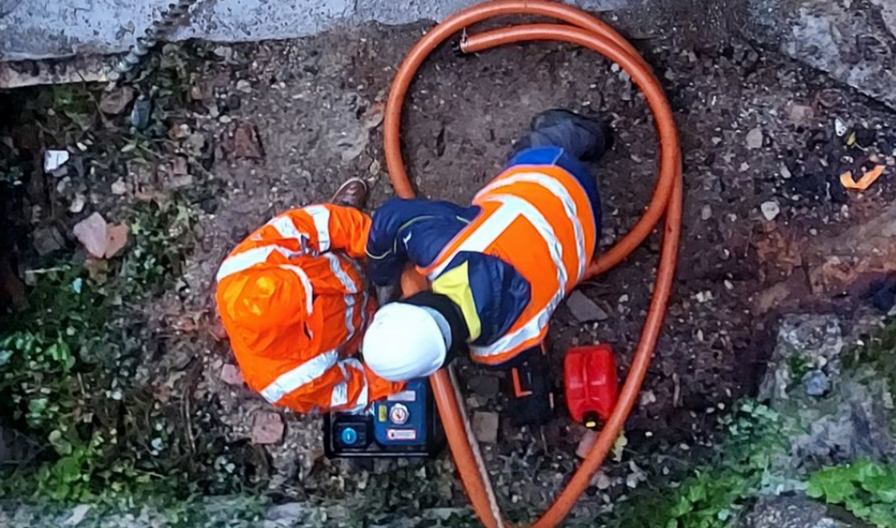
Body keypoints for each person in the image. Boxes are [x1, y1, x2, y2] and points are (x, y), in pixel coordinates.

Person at [360, 109, 610, 406]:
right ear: (411, 302)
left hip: (587, 239)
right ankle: (595, 135)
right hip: (553, 181)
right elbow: (392, 218)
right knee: (540, 141)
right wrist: (381, 269)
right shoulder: (448, 246)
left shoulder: (497, 351)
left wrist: (388, 278)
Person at [213, 174, 379, 413]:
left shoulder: (240, 266)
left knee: (333, 226)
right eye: (311, 300)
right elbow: (358, 388)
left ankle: (346, 216)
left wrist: (376, 243)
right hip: (368, 326)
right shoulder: (284, 382)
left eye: (304, 286)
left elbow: (310, 225)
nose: (315, 290)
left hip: (345, 258)